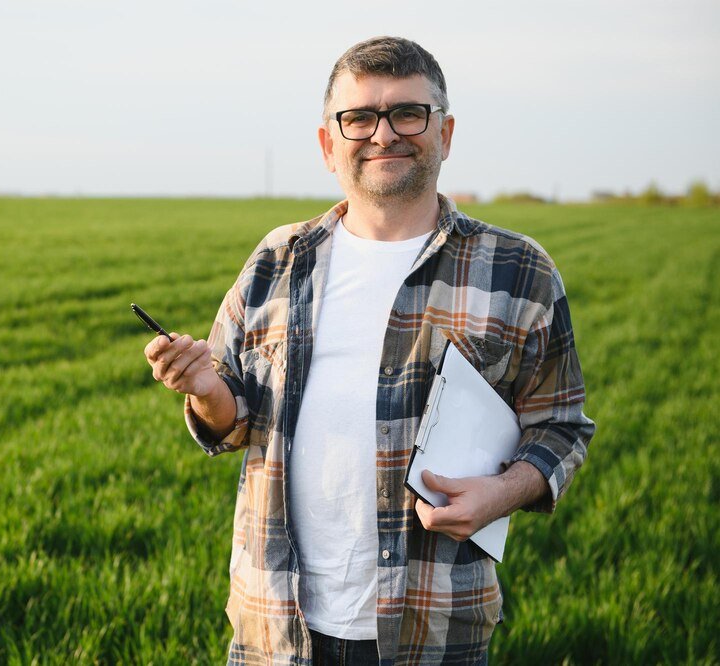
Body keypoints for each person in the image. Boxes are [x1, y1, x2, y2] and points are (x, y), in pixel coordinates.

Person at [143, 36, 594, 665]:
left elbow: (561, 427)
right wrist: (206, 389)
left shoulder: (518, 270)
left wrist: (504, 493)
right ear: (330, 144)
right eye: (358, 118)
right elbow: (236, 419)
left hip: (432, 631)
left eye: (408, 113)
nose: (383, 134)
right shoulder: (279, 260)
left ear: (446, 133)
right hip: (275, 625)